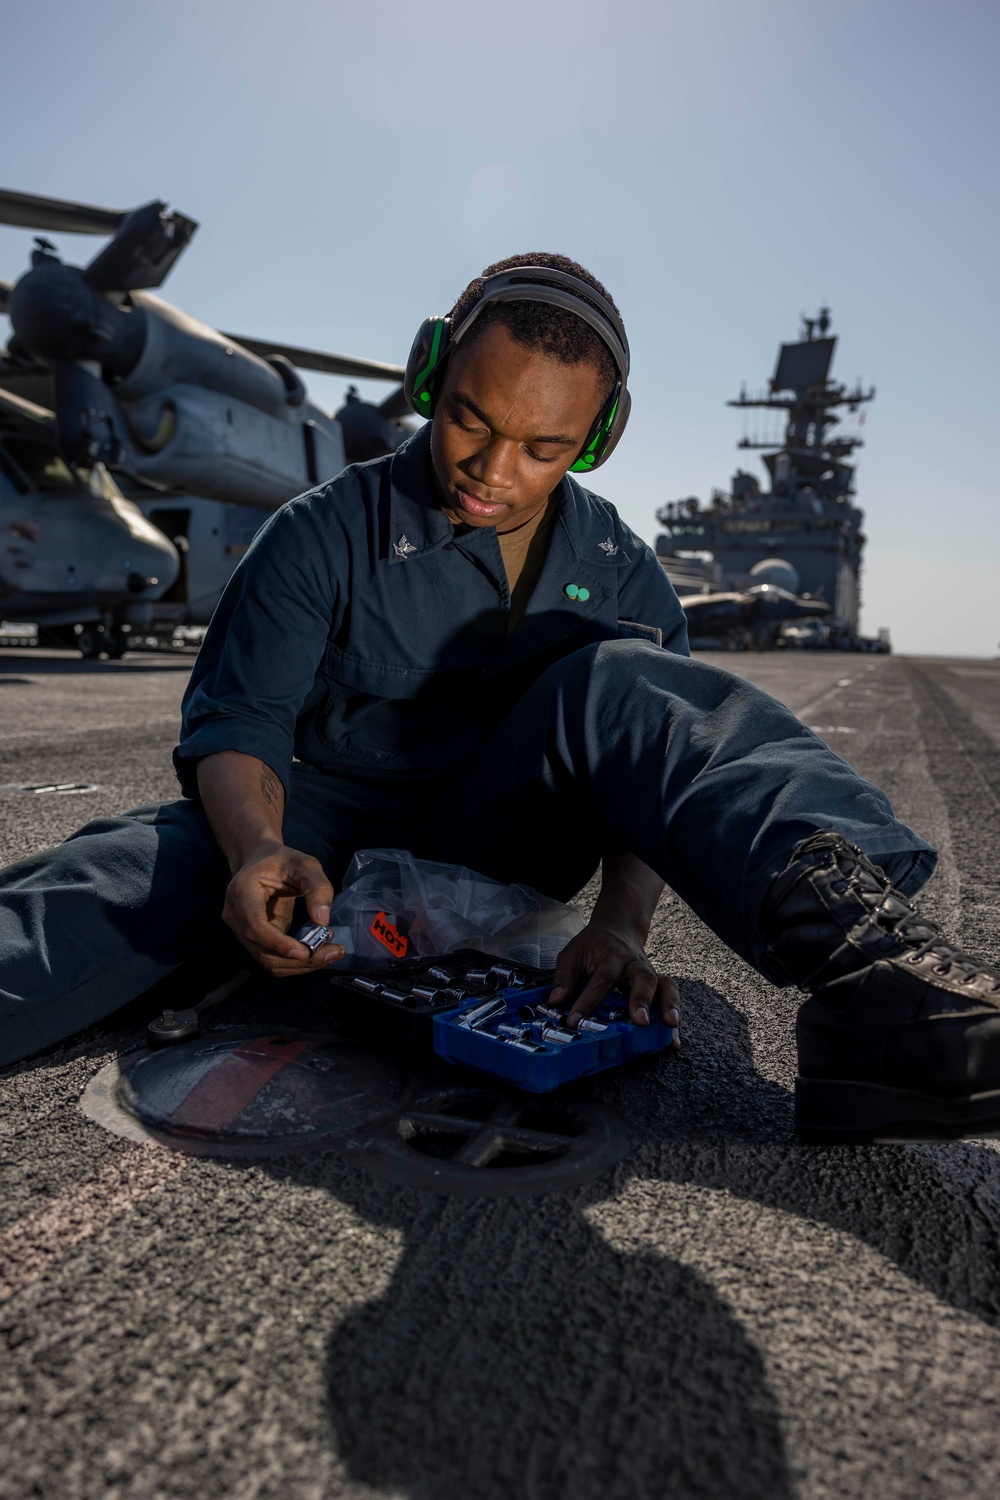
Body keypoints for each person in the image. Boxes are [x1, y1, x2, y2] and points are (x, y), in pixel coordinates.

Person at [1, 254, 998, 1144]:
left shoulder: (620, 571)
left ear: (596, 437)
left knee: (623, 677)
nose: (491, 470)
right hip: (316, 835)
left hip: (499, 845)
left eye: (541, 446)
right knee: (113, 887)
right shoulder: (320, 532)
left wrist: (620, 925)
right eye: (469, 419)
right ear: (431, 379)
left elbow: (657, 767)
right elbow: (240, 721)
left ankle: (880, 981)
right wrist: (257, 849)